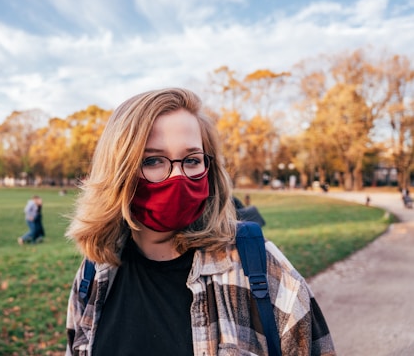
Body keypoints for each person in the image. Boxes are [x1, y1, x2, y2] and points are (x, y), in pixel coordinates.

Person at [65, 88, 335, 355]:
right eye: (153, 160)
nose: (178, 176)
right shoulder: (94, 274)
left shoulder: (263, 270)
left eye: (192, 159)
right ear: (118, 171)